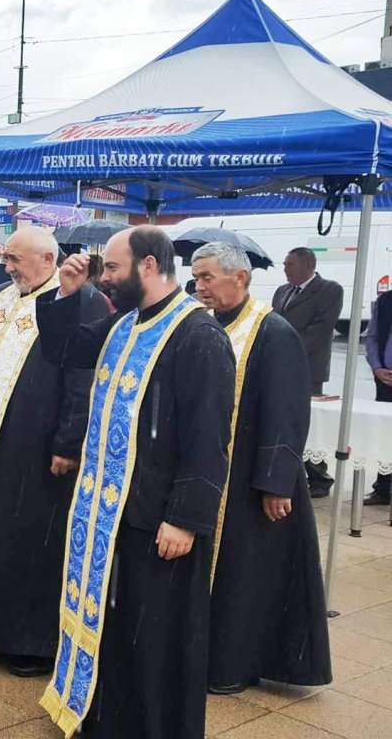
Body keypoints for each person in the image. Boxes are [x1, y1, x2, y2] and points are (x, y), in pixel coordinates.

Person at [35, 226, 234, 739]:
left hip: (159, 519)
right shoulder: (123, 323)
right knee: (117, 629)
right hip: (109, 512)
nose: (106, 278)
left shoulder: (198, 335)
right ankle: (105, 718)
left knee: (156, 638)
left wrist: (185, 519)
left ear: (148, 265)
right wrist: (66, 293)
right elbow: (66, 352)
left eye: (113, 269)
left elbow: (209, 439)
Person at [0, 228, 105, 678]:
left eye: (15, 258)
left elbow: (81, 377)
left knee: (32, 540)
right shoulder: (2, 294)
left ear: (48, 259)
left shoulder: (77, 299)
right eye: (5, 258)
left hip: (38, 443)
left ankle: (31, 643)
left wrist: (67, 443)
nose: (8, 266)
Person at [190, 242, 332, 697]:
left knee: (246, 575)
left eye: (208, 277)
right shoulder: (208, 326)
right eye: (196, 278)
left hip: (256, 480)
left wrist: (275, 482)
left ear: (241, 278)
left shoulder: (272, 330)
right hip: (215, 474)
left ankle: (236, 664)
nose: (200, 287)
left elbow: (287, 411)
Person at [274, 248, 342, 498]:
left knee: (309, 423)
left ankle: (319, 476)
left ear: (307, 266)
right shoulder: (282, 291)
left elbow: (321, 329)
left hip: (308, 368)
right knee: (282, 419)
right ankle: (291, 471)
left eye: (290, 264)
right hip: (279, 364)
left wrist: (287, 350)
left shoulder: (330, 290)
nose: (285, 268)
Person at [365, 288, 392, 506]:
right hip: (385, 379)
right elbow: (372, 337)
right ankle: (382, 489)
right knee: (386, 434)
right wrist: (376, 367)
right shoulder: (385, 300)